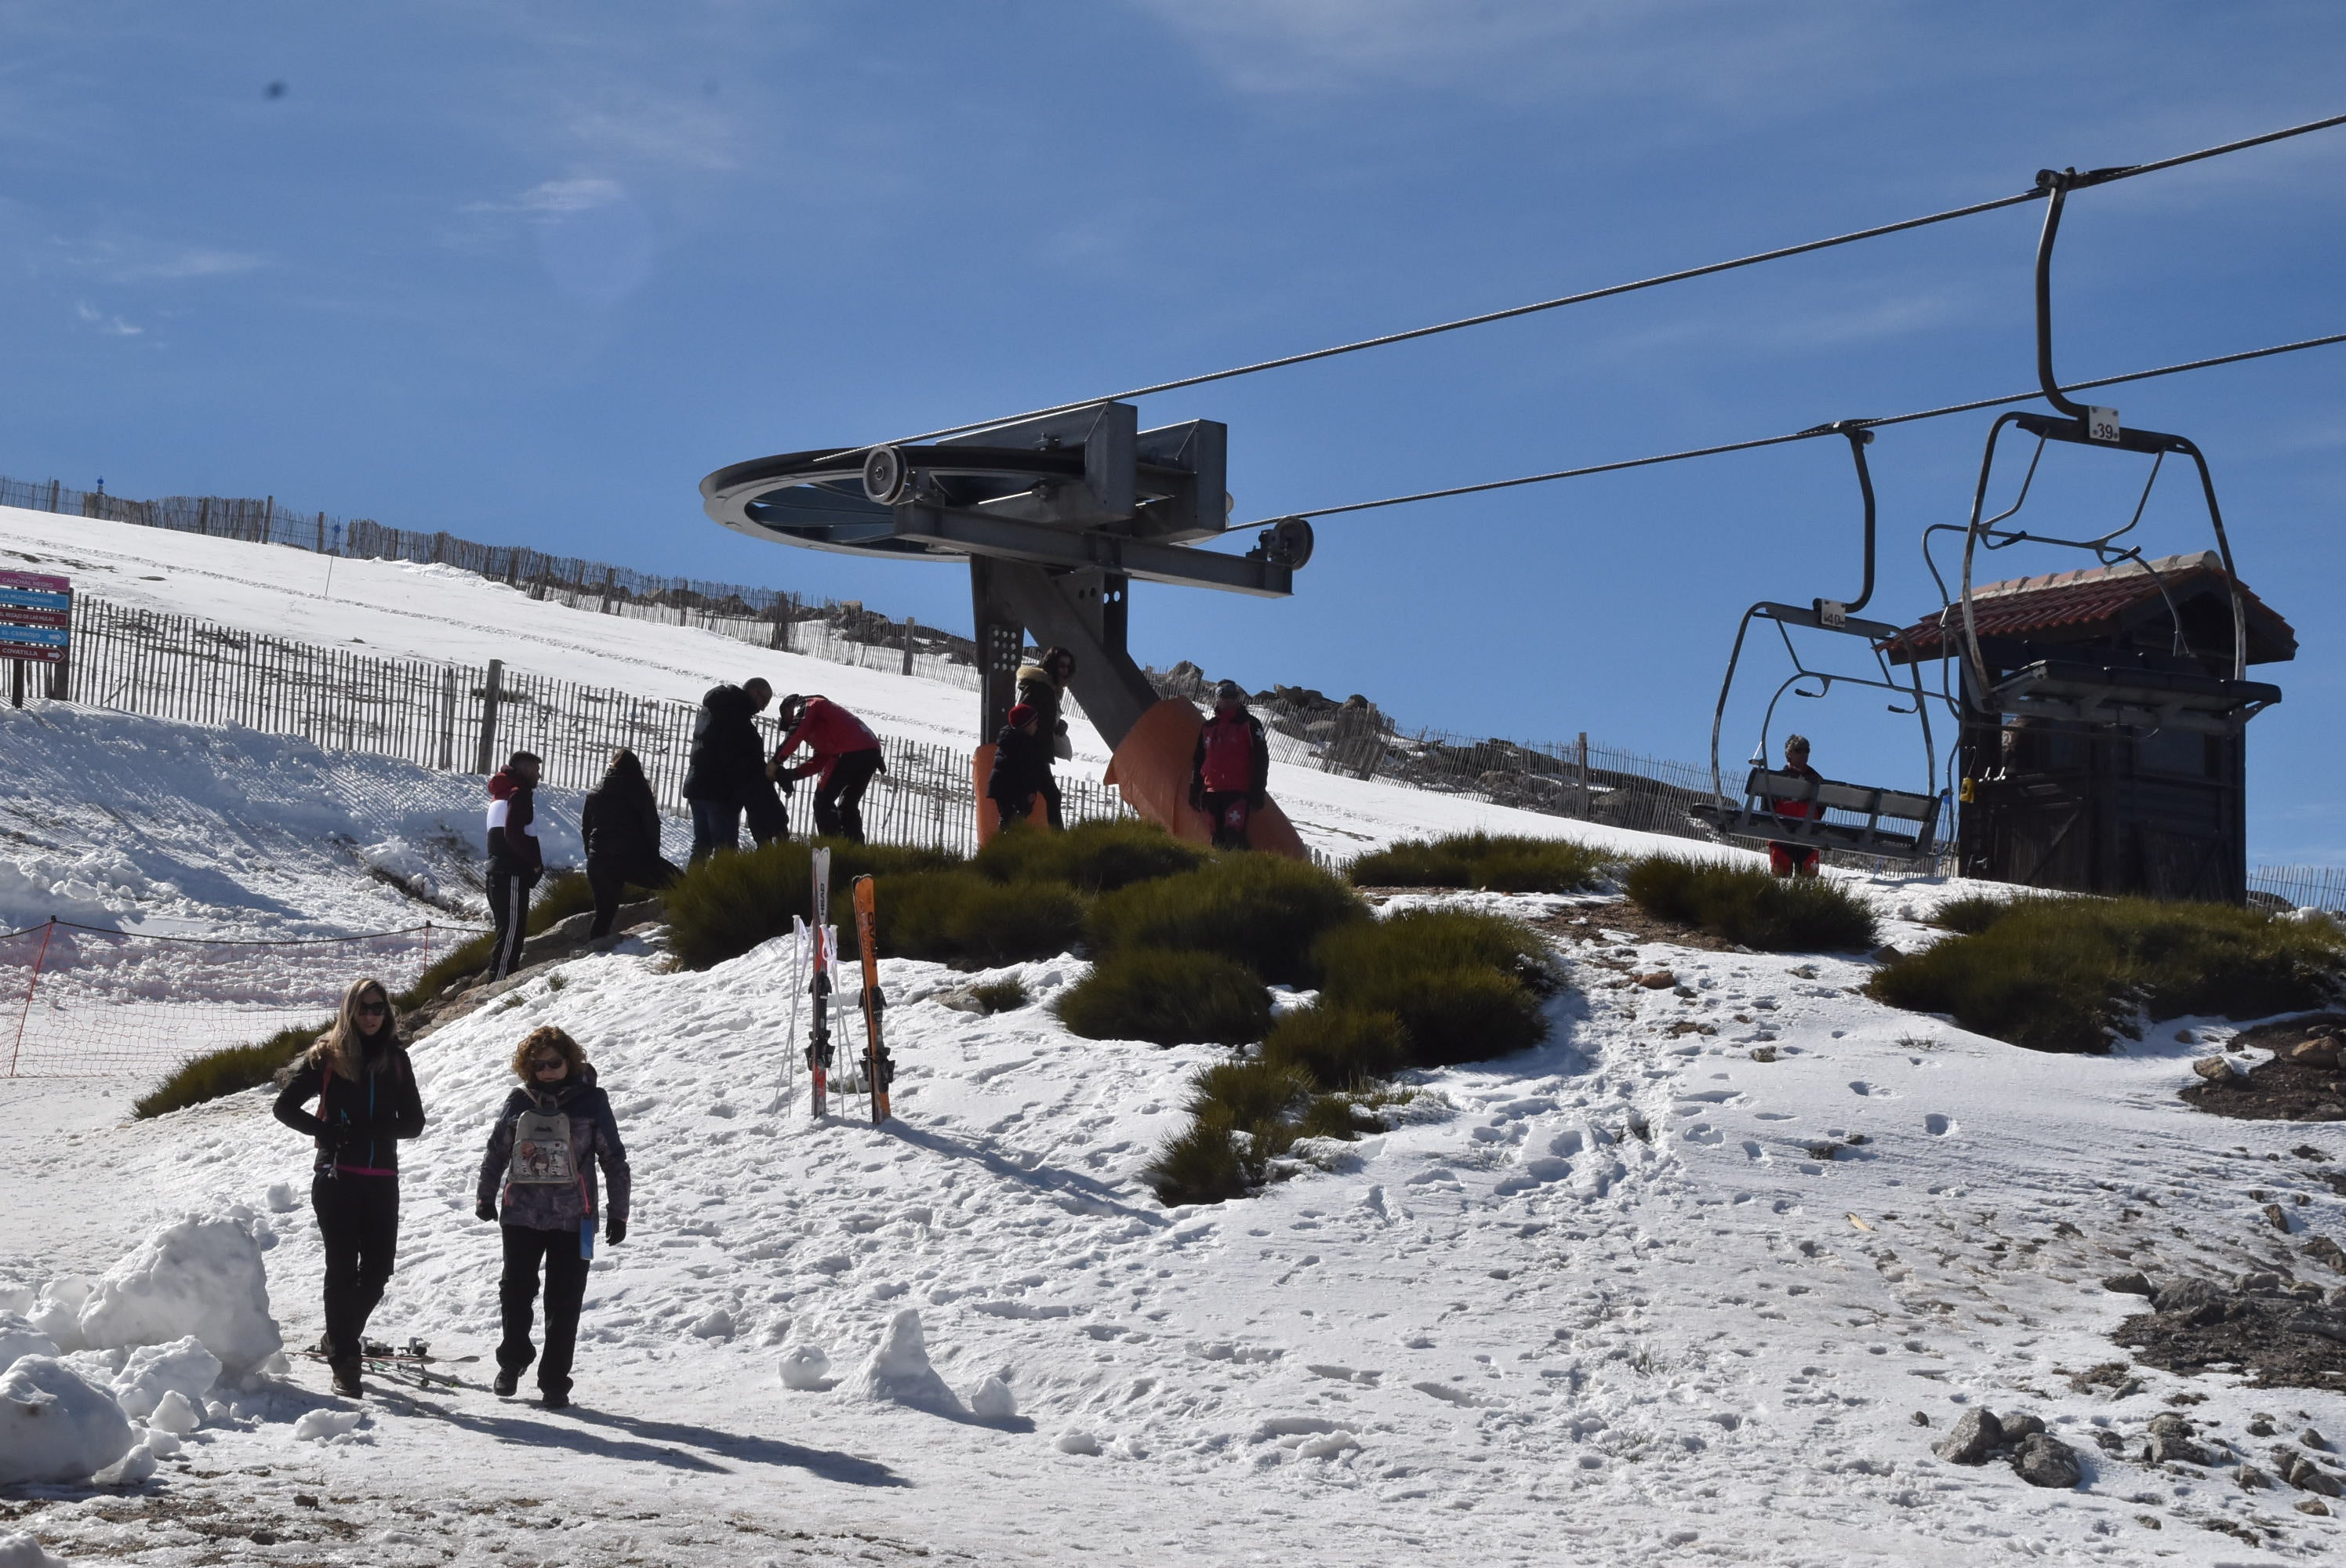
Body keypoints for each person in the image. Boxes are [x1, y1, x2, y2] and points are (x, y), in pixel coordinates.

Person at [272, 978, 427, 1397]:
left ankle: (337, 1338)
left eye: (379, 1008)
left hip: (382, 1179)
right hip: (336, 1177)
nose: (372, 1016)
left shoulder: (396, 1058)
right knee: (341, 1269)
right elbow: (283, 1108)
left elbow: (415, 1123)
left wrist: (378, 1130)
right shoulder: (326, 1055)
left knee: (377, 1271)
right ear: (349, 1010)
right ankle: (345, 1362)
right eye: (364, 1008)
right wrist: (328, 1132)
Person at [474, 1025, 630, 1410]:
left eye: (554, 1063)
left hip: (575, 1218)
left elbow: (613, 1158)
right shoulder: (518, 1101)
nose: (546, 1070)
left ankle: (555, 1381)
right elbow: (496, 1151)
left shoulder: (593, 1102)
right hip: (521, 1214)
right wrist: (485, 1196)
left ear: (570, 1061)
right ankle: (512, 1363)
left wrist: (619, 1212)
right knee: (515, 1291)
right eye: (538, 1064)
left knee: (565, 1300)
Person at [579, 749, 681, 938]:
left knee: (603, 915)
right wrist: (652, 857)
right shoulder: (639, 789)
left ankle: (592, 953)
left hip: (600, 860)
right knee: (680, 883)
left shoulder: (595, 792)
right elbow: (652, 825)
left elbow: (586, 829)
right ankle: (682, 928)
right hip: (633, 858)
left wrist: (592, 854)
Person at [681, 677, 783, 862]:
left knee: (702, 846)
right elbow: (737, 761)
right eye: (764, 701)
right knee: (726, 852)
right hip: (719, 794)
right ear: (755, 693)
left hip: (696, 786)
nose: (763, 708)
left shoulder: (714, 708)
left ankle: (689, 889)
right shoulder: (736, 718)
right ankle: (719, 891)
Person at [772, 694, 885, 843]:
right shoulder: (829, 724)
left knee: (822, 801)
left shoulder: (809, 704)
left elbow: (796, 734)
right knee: (848, 806)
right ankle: (855, 852)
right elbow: (821, 760)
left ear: (790, 707)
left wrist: (775, 762)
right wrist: (793, 774)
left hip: (851, 749)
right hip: (871, 751)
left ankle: (832, 850)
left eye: (788, 719)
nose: (790, 724)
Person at [1189, 681, 1270, 851]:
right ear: (1217, 697)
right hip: (1211, 792)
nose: (1229, 700)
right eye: (1224, 695)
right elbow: (1198, 760)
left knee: (1234, 835)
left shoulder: (1250, 724)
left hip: (1238, 792)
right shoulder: (1208, 727)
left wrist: (1258, 791)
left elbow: (1261, 759)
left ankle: (1245, 871)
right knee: (1217, 840)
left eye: (1233, 695)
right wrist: (1194, 789)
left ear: (1238, 697)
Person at [485, 750, 543, 981]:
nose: (539, 775)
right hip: (511, 874)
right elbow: (514, 834)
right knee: (511, 934)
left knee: (506, 931)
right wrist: (535, 864)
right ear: (526, 769)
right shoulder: (519, 795)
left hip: (498, 871)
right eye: (536, 770)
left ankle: (498, 979)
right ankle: (498, 986)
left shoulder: (501, 793)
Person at [1015, 646, 1076, 828]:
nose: (1065, 671)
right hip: (1031, 754)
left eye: (1068, 667)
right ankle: (1059, 844)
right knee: (1042, 798)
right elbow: (1021, 717)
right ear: (1052, 666)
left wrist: (1057, 726)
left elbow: (1041, 717)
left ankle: (1008, 840)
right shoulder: (1040, 688)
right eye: (1061, 666)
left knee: (1032, 801)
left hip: (1037, 753)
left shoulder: (1049, 689)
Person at [986, 702, 1054, 830]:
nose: (1036, 727)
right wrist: (1029, 792)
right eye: (1034, 724)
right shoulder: (1022, 745)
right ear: (1026, 725)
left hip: (1004, 790)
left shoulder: (1010, 740)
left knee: (1009, 821)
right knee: (1012, 823)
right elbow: (1025, 771)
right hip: (1012, 791)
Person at [1767, 733, 1825, 878]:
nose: (1804, 754)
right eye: (1799, 750)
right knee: (1782, 879)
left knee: (1805, 882)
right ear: (1789, 754)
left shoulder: (1776, 779)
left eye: (1807, 750)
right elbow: (1821, 808)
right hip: (1787, 835)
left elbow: (1766, 808)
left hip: (1801, 836)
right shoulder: (1817, 780)